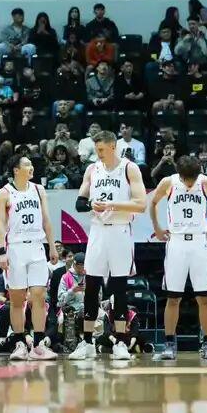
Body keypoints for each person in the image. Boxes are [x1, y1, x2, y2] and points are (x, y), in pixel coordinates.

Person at [67, 130, 147, 360]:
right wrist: (92, 204)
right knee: (91, 286)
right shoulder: (92, 169)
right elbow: (80, 203)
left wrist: (112, 204)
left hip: (120, 230)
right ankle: (86, 342)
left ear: (113, 146)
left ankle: (121, 342)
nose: (98, 153)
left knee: (119, 287)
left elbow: (141, 204)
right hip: (98, 231)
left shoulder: (129, 168)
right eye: (96, 149)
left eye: (101, 149)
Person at [149, 155, 207, 360]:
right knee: (173, 297)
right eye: (187, 179)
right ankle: (169, 344)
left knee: (204, 298)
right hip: (176, 242)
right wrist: (157, 228)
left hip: (200, 241)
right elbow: (153, 202)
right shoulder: (168, 182)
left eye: (193, 179)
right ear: (180, 175)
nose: (190, 183)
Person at [0, 155, 59, 361]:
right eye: (27, 164)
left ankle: (38, 345)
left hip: (37, 246)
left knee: (39, 295)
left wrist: (52, 246)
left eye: (31, 164)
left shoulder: (39, 190)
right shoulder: (4, 193)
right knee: (17, 299)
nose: (31, 167)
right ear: (16, 170)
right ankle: (19, 343)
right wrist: (1, 251)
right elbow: (0, 224)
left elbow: (46, 220)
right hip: (15, 248)